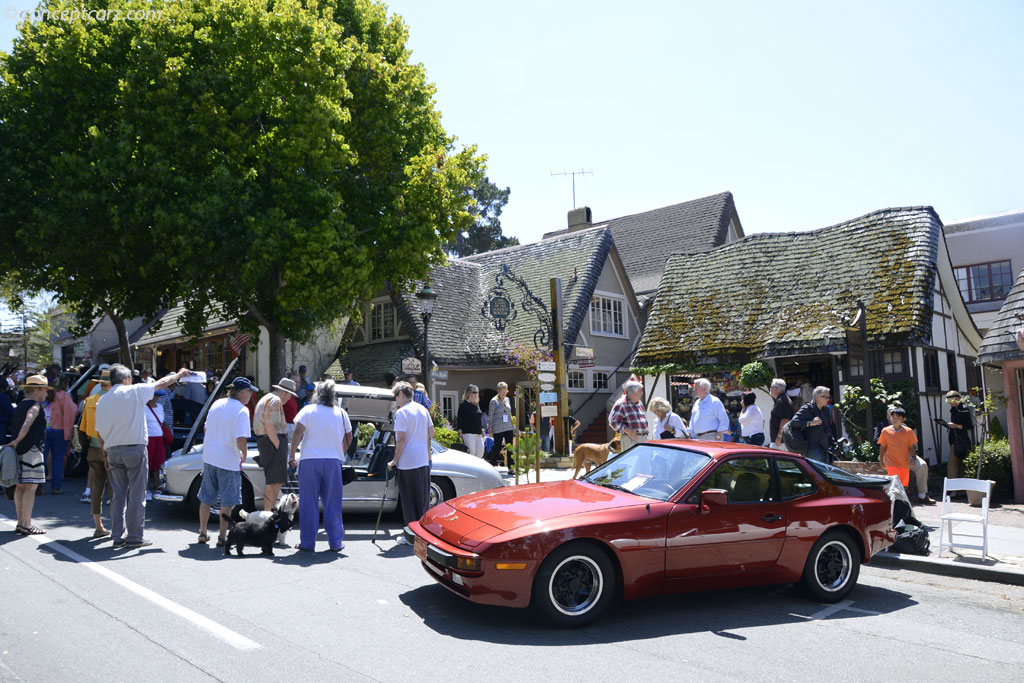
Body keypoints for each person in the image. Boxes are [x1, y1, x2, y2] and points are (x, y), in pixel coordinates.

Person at [96, 364, 191, 549]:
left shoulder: (102, 400)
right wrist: (179, 374)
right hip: (134, 448)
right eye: (130, 377)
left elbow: (99, 431)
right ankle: (134, 537)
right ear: (125, 379)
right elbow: (162, 383)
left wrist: (104, 452)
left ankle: (117, 536)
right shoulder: (134, 391)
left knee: (118, 496)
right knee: (137, 495)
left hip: (112, 450)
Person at [289, 379, 351, 552]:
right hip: (332, 462)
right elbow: (349, 437)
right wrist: (341, 453)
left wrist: (292, 456)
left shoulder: (308, 410)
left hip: (309, 461)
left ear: (317, 394)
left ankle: (308, 543)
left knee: (309, 503)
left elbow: (298, 433)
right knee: (333, 503)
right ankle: (335, 542)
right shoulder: (340, 413)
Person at [197, 377, 254, 547]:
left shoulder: (217, 403)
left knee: (206, 498)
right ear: (243, 393)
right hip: (228, 460)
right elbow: (241, 439)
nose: (250, 395)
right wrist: (244, 454)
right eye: (250, 392)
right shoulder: (242, 411)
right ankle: (222, 537)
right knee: (227, 502)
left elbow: (206, 428)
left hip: (210, 457)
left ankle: (202, 532)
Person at [388, 381, 434, 545]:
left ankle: (411, 536)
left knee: (408, 500)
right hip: (422, 459)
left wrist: (394, 460)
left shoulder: (402, 413)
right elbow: (431, 432)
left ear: (401, 394)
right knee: (421, 499)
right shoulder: (423, 409)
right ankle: (423, 535)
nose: (396, 400)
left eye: (396, 396)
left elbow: (400, 439)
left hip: (407, 461)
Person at [7, 375, 49, 535]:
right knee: (31, 487)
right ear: (37, 391)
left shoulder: (20, 405)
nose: (46, 393)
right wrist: (17, 441)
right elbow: (27, 423)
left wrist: (15, 443)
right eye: (45, 389)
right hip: (32, 450)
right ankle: (27, 524)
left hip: (19, 450)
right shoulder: (35, 406)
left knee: (20, 486)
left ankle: (20, 522)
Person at [254, 377, 297, 511]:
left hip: (267, 442)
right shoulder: (275, 400)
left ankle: (269, 513)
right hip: (272, 442)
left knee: (273, 481)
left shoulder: (269, 398)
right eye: (289, 395)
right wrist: (278, 445)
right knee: (274, 482)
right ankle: (269, 514)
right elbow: (270, 425)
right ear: (285, 392)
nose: (289, 398)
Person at [44, 376, 76, 494]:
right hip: (59, 430)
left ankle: (37, 486)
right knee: (58, 459)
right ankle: (56, 487)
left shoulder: (42, 395)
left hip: (43, 430)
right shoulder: (63, 395)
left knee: (40, 458)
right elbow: (73, 410)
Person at [788, 386, 837, 463]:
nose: (828, 399)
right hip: (812, 449)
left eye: (829, 397)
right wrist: (810, 423)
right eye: (826, 397)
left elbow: (828, 428)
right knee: (815, 473)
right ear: (817, 397)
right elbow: (793, 422)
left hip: (825, 448)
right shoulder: (807, 408)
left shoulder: (826, 409)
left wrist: (833, 443)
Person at [608, 380, 649, 449]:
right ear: (633, 392)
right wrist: (628, 430)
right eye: (640, 391)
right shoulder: (622, 404)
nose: (642, 393)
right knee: (632, 460)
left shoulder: (639, 403)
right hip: (630, 440)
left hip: (643, 439)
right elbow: (613, 422)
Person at [144, 392, 168, 500]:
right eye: (154, 395)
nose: (156, 397)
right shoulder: (143, 408)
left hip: (159, 438)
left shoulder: (160, 407)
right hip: (148, 438)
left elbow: (162, 422)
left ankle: (158, 487)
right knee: (147, 465)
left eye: (157, 395)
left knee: (159, 464)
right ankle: (146, 489)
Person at [945, 390, 973, 480]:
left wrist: (955, 426)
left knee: (953, 464)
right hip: (954, 439)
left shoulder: (964, 409)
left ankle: (953, 489)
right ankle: (958, 490)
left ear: (958, 399)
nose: (951, 404)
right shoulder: (953, 410)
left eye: (952, 402)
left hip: (961, 440)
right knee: (958, 465)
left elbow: (968, 426)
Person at [486, 382, 515, 466]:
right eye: (502, 391)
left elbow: (509, 412)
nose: (504, 393)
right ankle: (492, 464)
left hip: (508, 426)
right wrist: (490, 429)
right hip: (498, 427)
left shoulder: (507, 399)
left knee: (510, 447)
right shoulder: (494, 401)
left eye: (505, 391)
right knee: (497, 447)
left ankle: (511, 467)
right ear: (498, 391)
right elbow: (490, 415)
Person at [456, 385, 485, 457]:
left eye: (477, 392)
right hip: (468, 433)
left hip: (478, 433)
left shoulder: (477, 405)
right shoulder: (464, 405)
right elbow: (460, 419)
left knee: (480, 452)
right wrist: (459, 430)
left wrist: (482, 429)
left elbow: (478, 418)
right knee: (471, 453)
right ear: (469, 393)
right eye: (474, 392)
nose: (476, 394)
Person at [769, 378, 795, 449]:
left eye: (771, 387)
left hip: (781, 442)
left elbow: (785, 419)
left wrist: (779, 437)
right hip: (782, 441)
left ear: (777, 389)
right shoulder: (781, 399)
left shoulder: (782, 401)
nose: (770, 389)